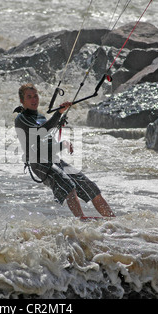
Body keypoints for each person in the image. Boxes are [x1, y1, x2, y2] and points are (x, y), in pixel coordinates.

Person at [14, 83, 114, 218]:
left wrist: (63, 144)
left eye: (35, 96)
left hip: (53, 159)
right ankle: (81, 219)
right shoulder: (21, 119)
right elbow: (40, 132)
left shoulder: (41, 117)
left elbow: (48, 143)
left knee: (89, 186)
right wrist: (58, 113)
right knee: (68, 184)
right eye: (29, 97)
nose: (34, 100)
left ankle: (112, 220)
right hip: (38, 162)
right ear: (22, 101)